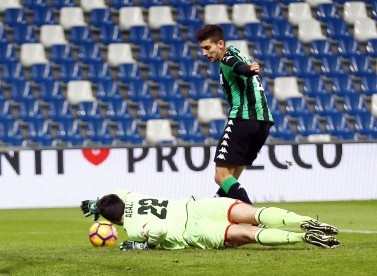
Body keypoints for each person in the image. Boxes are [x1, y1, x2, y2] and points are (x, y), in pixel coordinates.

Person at [81, 190, 340, 250]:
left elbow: (158, 228)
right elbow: (118, 195)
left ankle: (302, 237)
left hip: (194, 231)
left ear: (112, 224)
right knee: (255, 213)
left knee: (248, 233)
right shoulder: (134, 197)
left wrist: (146, 245)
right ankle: (306, 220)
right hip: (199, 206)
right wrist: (96, 202)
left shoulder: (134, 229)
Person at [195, 24, 274, 204]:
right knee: (231, 178)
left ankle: (254, 217)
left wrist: (249, 69)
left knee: (221, 175)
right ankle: (217, 208)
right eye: (202, 49)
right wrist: (248, 68)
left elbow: (238, 67)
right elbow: (240, 66)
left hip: (243, 119)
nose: (205, 53)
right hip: (263, 123)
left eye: (208, 48)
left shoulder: (227, 59)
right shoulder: (235, 52)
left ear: (220, 44)